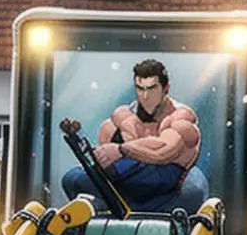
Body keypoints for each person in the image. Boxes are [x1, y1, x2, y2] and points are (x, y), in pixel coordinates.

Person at [63, 58, 208, 213]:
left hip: (168, 190)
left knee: (193, 190)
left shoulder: (180, 118)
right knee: (73, 178)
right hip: (128, 189)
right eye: (140, 89)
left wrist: (122, 149)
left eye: (152, 88)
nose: (145, 96)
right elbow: (106, 155)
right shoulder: (123, 118)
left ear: (166, 88)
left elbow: (163, 151)